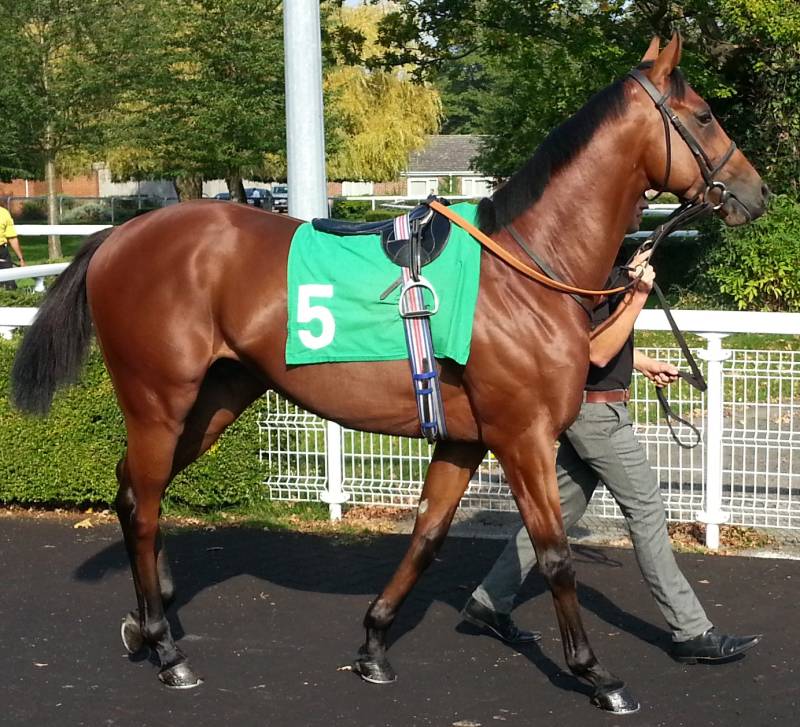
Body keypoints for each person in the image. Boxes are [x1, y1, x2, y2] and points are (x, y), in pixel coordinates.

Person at [460, 195, 761, 663]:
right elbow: (595, 352)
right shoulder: (595, 274)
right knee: (647, 510)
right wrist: (637, 297)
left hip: (588, 409)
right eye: (637, 202)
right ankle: (691, 632)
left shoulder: (593, 269)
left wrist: (642, 362)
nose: (642, 207)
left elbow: (591, 345)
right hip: (598, 417)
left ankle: (488, 602)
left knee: (556, 515)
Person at [0, 202, 26, 290]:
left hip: (2, 252)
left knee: (10, 286)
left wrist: (21, 259)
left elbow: (12, 238)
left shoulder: (4, 213)